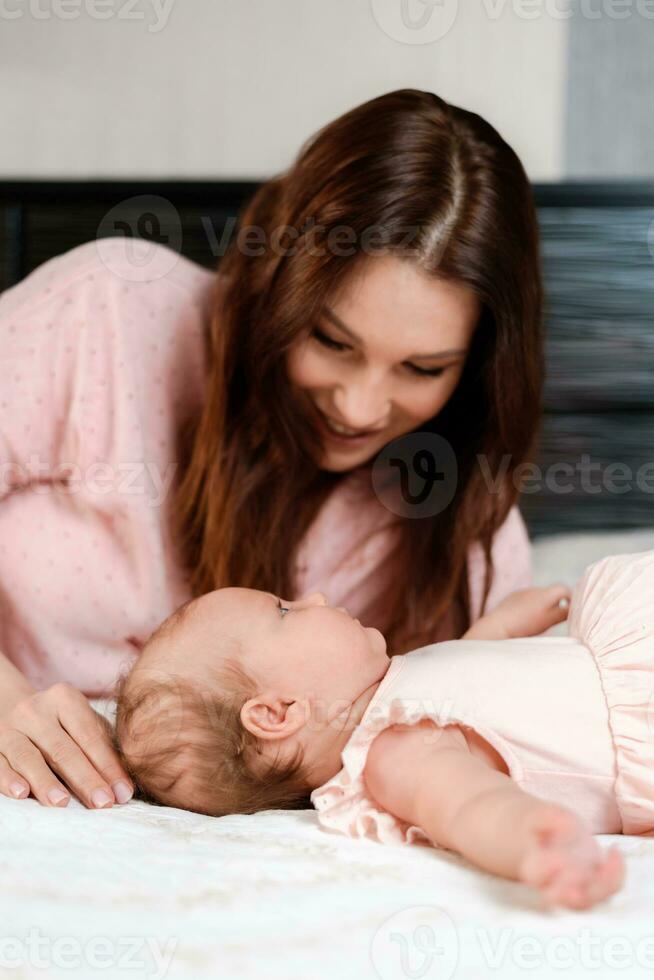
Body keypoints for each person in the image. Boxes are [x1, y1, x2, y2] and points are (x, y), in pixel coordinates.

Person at [0, 88, 542, 811]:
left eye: (423, 369)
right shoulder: (110, 313)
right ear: (278, 284)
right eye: (330, 341)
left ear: (476, 368)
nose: (358, 407)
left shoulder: (463, 530)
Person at [114, 550, 654, 910]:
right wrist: (533, 840)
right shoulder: (393, 755)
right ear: (278, 714)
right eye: (284, 611)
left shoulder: (394, 691)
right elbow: (469, 806)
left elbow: (463, 675)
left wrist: (505, 624)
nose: (316, 600)